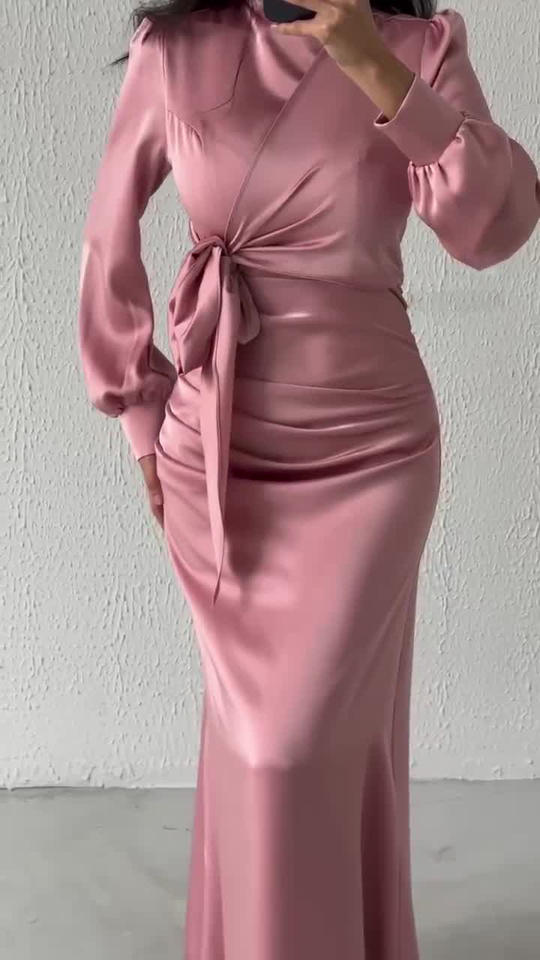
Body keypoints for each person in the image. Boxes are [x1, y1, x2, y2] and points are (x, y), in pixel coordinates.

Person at [76, 0, 539, 956]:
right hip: (218, 456)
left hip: (372, 457)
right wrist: (139, 413)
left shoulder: (421, 47)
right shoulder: (176, 50)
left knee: (298, 747)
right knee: (261, 747)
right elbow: (106, 238)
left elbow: (494, 226)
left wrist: (366, 57)